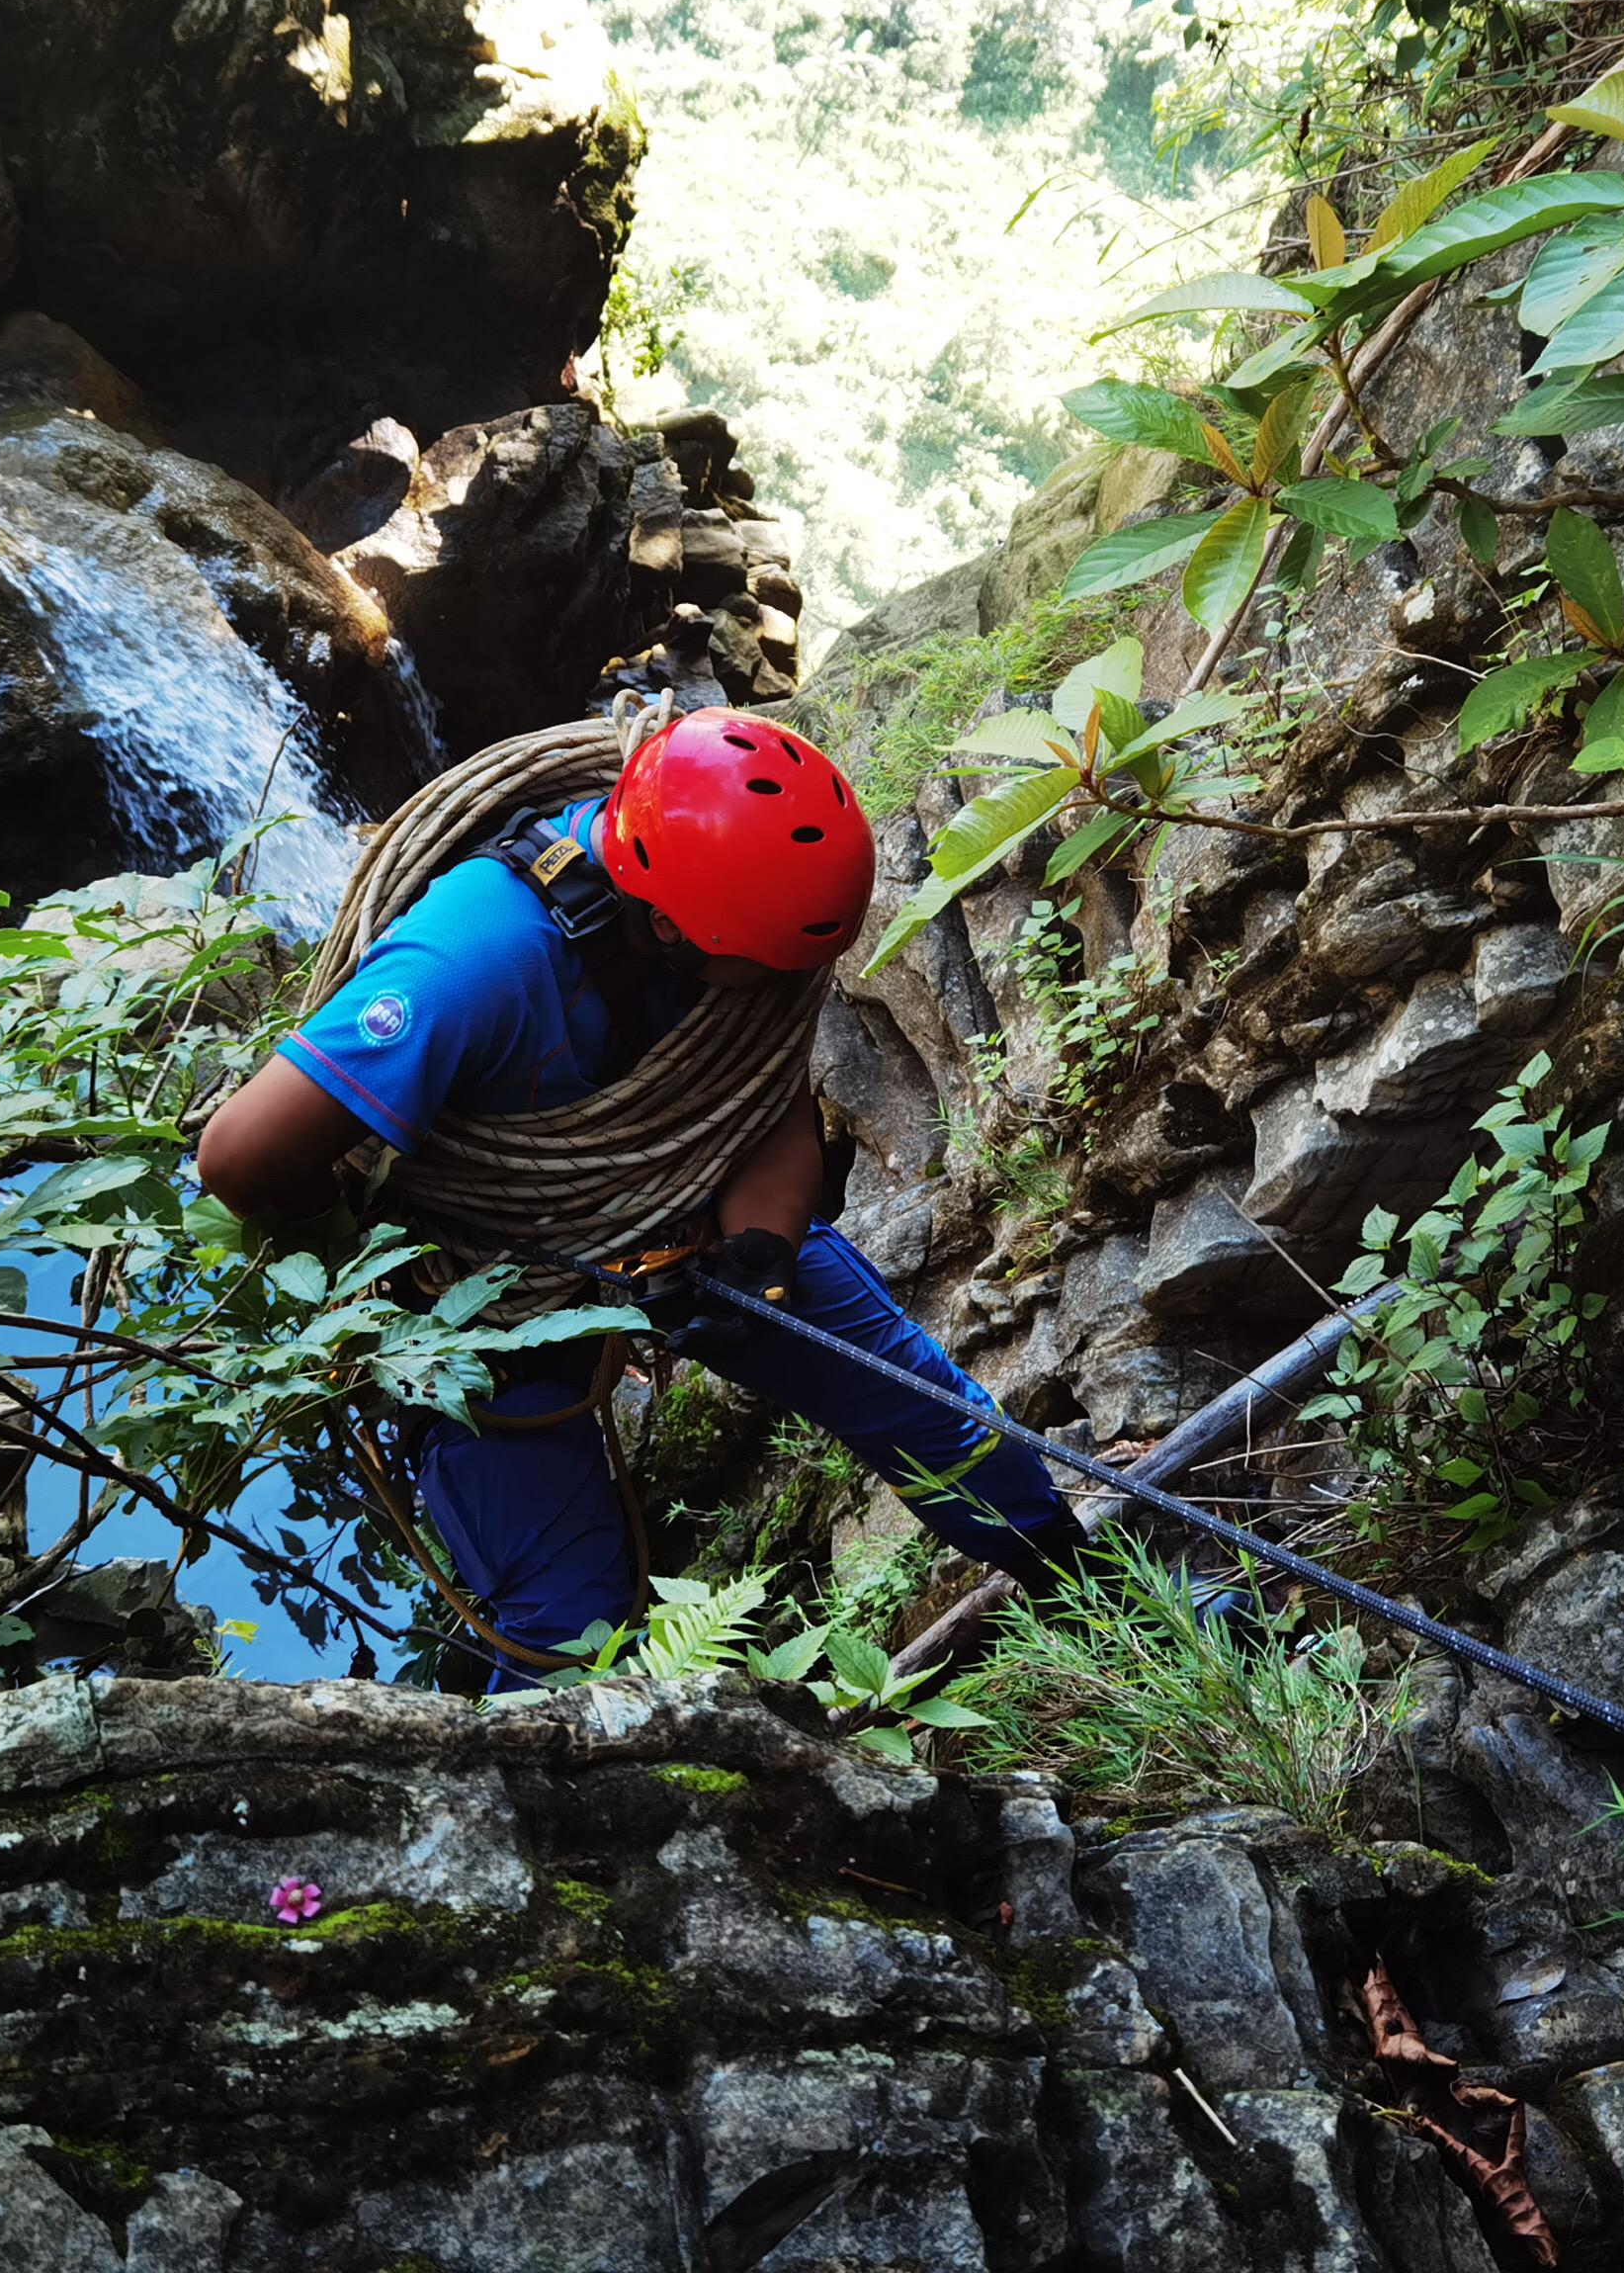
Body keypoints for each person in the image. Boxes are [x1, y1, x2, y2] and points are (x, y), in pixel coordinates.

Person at [193, 707, 1087, 1688]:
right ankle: (545, 1807)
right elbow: (239, 1158)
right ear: (665, 925)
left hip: (690, 1232)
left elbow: (763, 1099)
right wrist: (344, 1247)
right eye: (764, 967)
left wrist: (759, 1253)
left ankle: (1092, 1593)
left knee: (924, 1412)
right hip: (471, 1292)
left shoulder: (746, 928)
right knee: (566, 1618)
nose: (786, 985)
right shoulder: (476, 957)